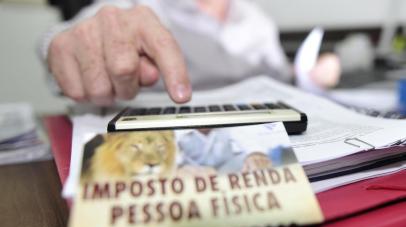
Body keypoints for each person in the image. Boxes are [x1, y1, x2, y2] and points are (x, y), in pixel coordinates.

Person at [42, 0, 340, 106]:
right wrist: (61, 46)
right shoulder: (139, 6)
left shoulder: (256, 19)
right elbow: (69, 39)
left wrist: (311, 73)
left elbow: (278, 75)